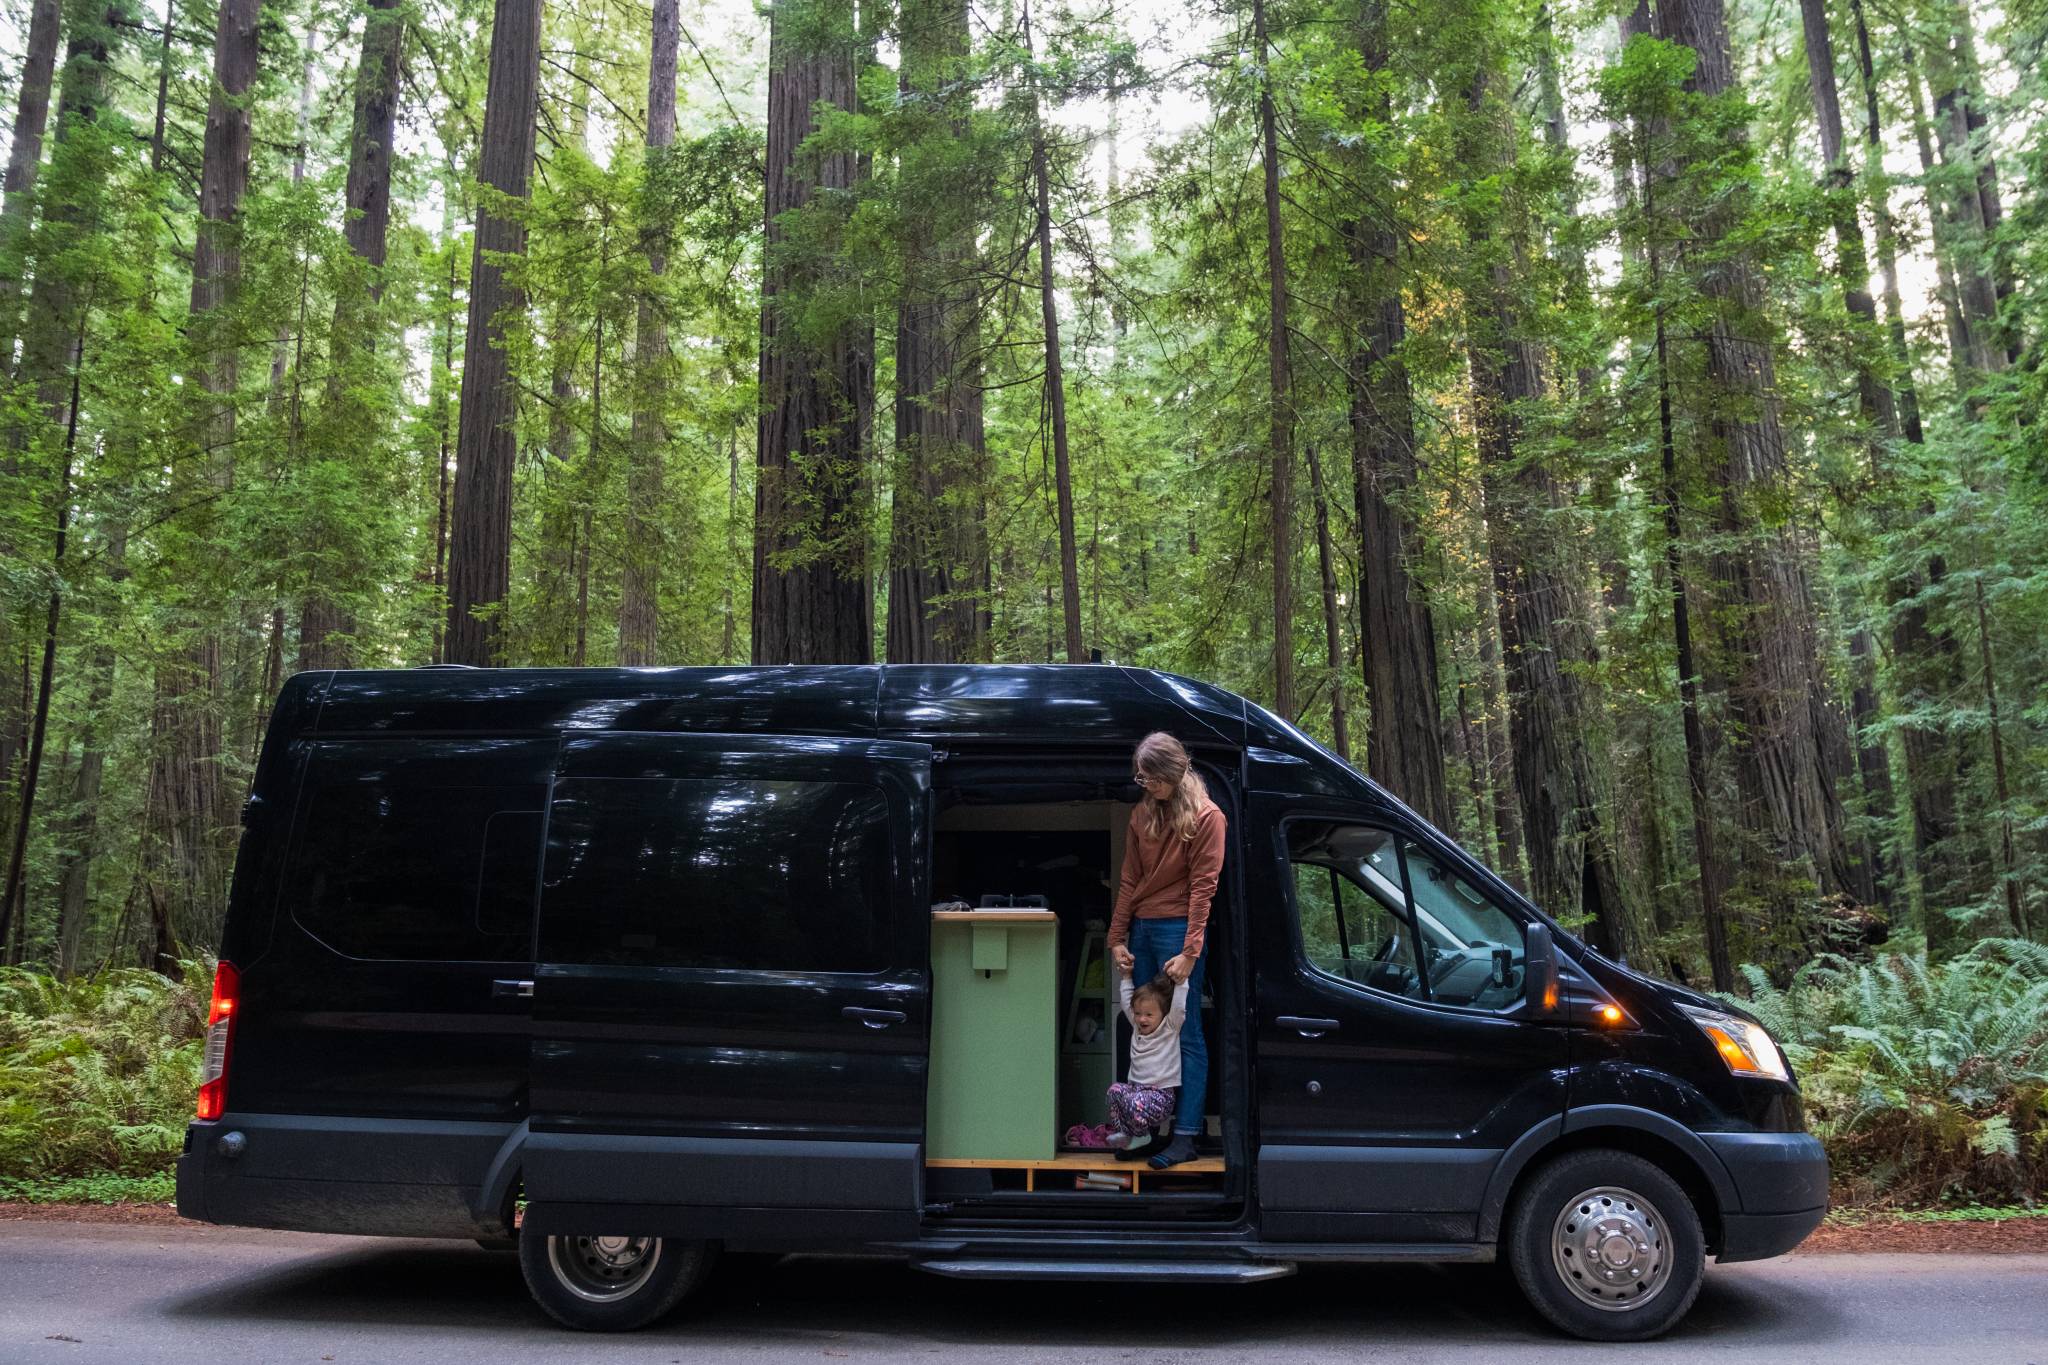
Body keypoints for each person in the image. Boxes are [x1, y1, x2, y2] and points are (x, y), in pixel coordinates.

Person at [1108, 730, 1225, 1169]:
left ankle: (1186, 1135)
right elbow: (1129, 880)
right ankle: (1147, 1132)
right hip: (1142, 927)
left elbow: (1203, 888)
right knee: (1141, 1025)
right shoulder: (1143, 815)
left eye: (1152, 778)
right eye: (1140, 778)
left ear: (1174, 772)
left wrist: (1191, 951)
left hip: (1179, 929)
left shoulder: (1208, 816)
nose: (1146, 785)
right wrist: (1117, 938)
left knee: (1186, 1032)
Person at [1066, 969, 1189, 1152]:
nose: (1141, 1018)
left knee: (1133, 1101)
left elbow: (1178, 1006)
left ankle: (1142, 1135)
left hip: (1160, 1097)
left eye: (1149, 1014)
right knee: (1114, 1091)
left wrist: (1182, 982)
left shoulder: (1169, 1027)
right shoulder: (1137, 1028)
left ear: (1163, 1014)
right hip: (1137, 1093)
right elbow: (1126, 1002)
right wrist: (1126, 977)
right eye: (1138, 1013)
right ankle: (1126, 1132)